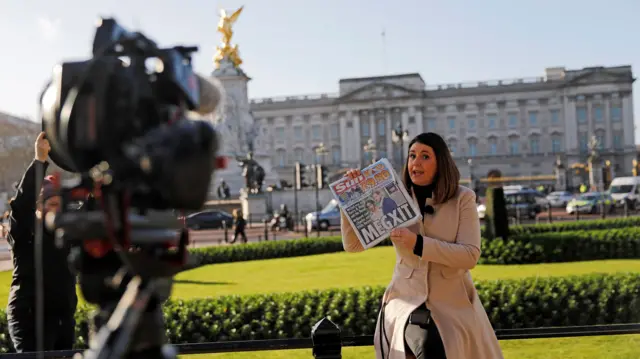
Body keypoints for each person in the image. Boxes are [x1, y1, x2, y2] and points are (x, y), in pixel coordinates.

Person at [340, 132, 503, 359]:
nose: (415, 162)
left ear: (441, 163)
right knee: (427, 347)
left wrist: (417, 243)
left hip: (452, 303)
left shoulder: (463, 198)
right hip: (406, 300)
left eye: (425, 156)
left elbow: (470, 256)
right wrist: (349, 200)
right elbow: (353, 245)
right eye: (412, 155)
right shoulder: (393, 196)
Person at [6, 132, 78, 352]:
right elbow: (21, 205)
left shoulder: (67, 232)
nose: (55, 211)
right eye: (50, 204)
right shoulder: (24, 231)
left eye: (58, 205)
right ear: (37, 207)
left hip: (63, 318)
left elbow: (93, 210)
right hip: (29, 318)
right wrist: (39, 160)